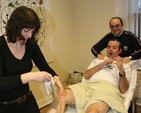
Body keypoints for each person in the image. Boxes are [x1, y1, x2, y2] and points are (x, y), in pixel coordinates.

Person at [0, 6, 63, 113]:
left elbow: (44, 67)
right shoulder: (1, 45)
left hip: (27, 101)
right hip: (5, 107)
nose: (29, 35)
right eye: (26, 31)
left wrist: (55, 77)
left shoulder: (30, 44)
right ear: (15, 27)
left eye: (32, 31)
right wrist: (31, 76)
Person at [49, 38, 132, 113]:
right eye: (109, 47)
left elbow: (124, 90)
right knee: (60, 95)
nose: (110, 49)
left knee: (92, 111)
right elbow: (86, 75)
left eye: (114, 47)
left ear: (120, 50)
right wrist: (102, 64)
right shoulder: (98, 61)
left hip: (107, 90)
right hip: (88, 86)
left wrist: (121, 71)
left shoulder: (125, 66)